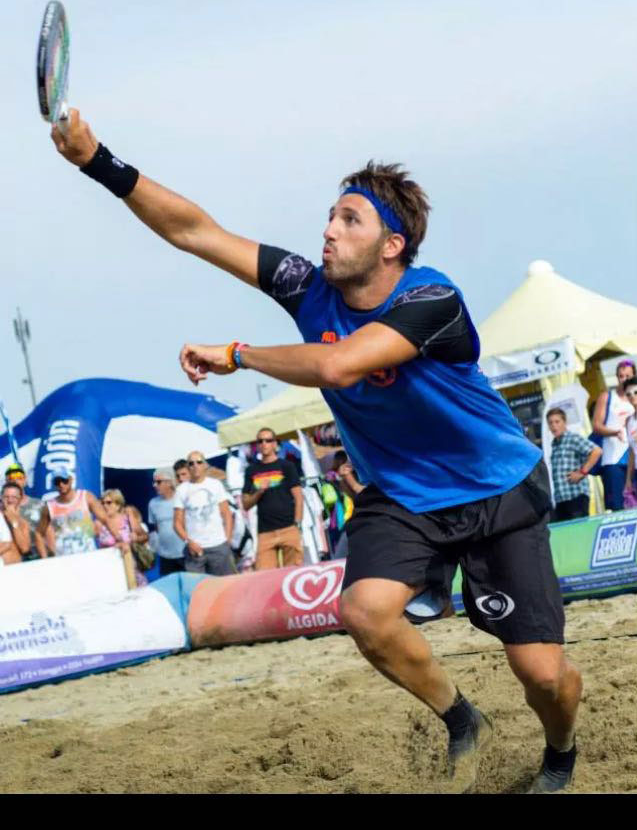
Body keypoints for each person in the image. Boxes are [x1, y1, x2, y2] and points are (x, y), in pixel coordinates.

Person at [51, 112, 583, 795]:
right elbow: (195, 232)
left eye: (349, 220)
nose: (328, 229)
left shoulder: (432, 298)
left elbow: (342, 367)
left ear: (392, 244)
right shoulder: (309, 285)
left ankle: (560, 752)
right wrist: (99, 161)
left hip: (498, 492)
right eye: (330, 215)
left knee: (543, 676)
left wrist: (237, 354)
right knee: (364, 611)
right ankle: (462, 720)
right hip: (405, 494)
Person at [242, 428, 305, 569]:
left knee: (293, 575)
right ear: (257, 445)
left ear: (275, 443)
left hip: (289, 528)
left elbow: (299, 497)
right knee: (265, 578)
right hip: (265, 533)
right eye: (260, 441)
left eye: (268, 440)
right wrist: (259, 492)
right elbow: (245, 504)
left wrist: (298, 524)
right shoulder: (251, 470)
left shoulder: (287, 466)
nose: (264, 444)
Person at [173, 450, 235, 575]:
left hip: (218, 545)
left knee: (223, 587)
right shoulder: (181, 490)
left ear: (205, 465)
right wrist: (188, 542)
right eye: (191, 463)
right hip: (195, 549)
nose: (195, 465)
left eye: (199, 462)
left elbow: (226, 514)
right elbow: (177, 523)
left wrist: (227, 539)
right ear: (188, 467)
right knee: (197, 589)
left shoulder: (215, 485)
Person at [35, 469, 117, 557]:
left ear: (71, 480)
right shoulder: (49, 506)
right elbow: (39, 533)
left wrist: (119, 539)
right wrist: (45, 559)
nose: (61, 484)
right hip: (64, 560)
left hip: (88, 555)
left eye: (64, 481)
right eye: (57, 482)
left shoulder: (85, 497)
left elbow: (106, 519)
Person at [592, 359, 636, 511]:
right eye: (621, 376)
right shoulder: (607, 397)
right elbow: (596, 425)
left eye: (627, 376)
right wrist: (614, 432)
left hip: (634, 458)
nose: (624, 379)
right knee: (618, 505)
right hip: (613, 460)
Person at [546, 409, 602, 521]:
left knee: (580, 533)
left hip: (576, 496)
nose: (554, 426)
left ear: (564, 422)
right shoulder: (554, 444)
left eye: (557, 422)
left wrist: (582, 472)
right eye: (551, 423)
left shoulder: (573, 438)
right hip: (561, 499)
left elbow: (597, 451)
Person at [95, 488, 150, 586]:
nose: (104, 506)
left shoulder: (128, 519)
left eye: (108, 503)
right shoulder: (99, 524)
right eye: (102, 503)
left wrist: (136, 538)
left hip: (133, 569)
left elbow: (145, 536)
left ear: (118, 505)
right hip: (110, 572)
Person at [148, 467, 185, 576]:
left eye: (158, 482)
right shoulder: (152, 503)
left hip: (185, 554)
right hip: (165, 557)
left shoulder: (182, 498)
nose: (155, 485)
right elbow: (157, 527)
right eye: (154, 482)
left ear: (169, 483)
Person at [0, 482, 31, 565]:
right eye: (6, 497)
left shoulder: (23, 523)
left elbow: (25, 549)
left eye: (14, 497)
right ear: (1, 498)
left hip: (15, 571)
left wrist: (14, 522)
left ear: (20, 499)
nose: (10, 500)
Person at [623, 376, 637, 499]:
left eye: (636, 392)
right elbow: (632, 452)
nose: (632, 396)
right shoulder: (629, 420)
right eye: (628, 394)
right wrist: (628, 479)